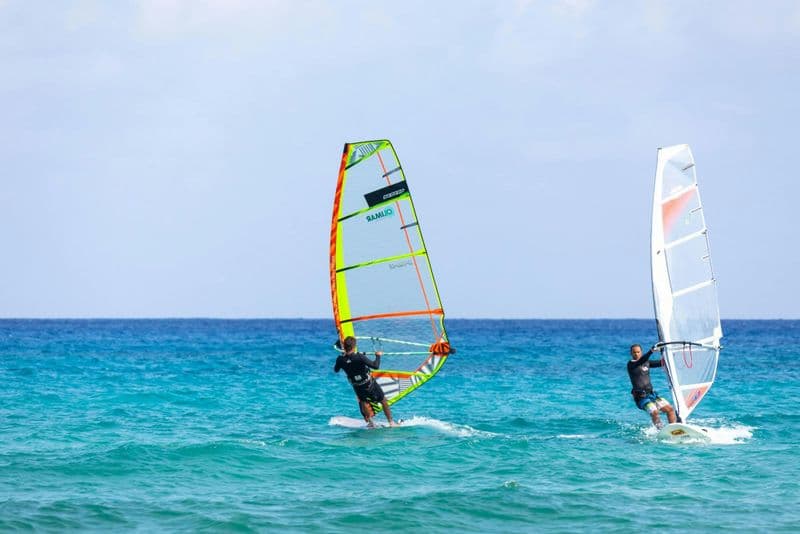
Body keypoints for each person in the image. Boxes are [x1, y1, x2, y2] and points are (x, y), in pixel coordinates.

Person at [334, 336, 396, 427]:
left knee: (363, 401)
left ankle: (371, 423)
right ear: (354, 347)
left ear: (345, 347)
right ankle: (391, 423)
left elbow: (336, 370)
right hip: (369, 384)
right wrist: (378, 356)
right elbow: (375, 366)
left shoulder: (340, 360)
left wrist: (343, 357)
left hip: (357, 386)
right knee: (383, 401)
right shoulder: (359, 357)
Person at [627, 343, 677, 428]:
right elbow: (641, 361)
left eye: (638, 352)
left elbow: (662, 363)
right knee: (655, 412)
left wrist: (672, 355)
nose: (636, 354)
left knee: (670, 409)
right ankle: (660, 430)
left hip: (652, 395)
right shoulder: (631, 365)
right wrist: (651, 351)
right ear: (631, 353)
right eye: (634, 352)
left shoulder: (646, 363)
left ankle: (673, 429)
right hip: (641, 398)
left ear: (641, 352)